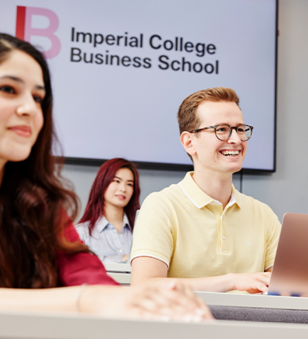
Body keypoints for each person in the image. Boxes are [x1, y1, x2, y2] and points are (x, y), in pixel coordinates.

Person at [0, 32, 211, 319]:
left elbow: (85, 273)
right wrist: (87, 299)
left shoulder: (39, 206)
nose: (30, 109)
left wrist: (150, 300)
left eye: (38, 97)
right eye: (9, 89)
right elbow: (92, 294)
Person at [130, 87, 281, 293]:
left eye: (239, 129)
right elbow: (144, 286)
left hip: (253, 324)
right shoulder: (162, 206)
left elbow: (286, 288)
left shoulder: (263, 215)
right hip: (188, 324)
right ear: (189, 142)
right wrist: (232, 281)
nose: (236, 140)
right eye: (221, 129)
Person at [76, 158, 139, 263]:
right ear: (102, 184)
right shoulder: (82, 233)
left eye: (129, 184)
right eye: (116, 181)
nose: (123, 189)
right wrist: (123, 258)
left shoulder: (141, 231)